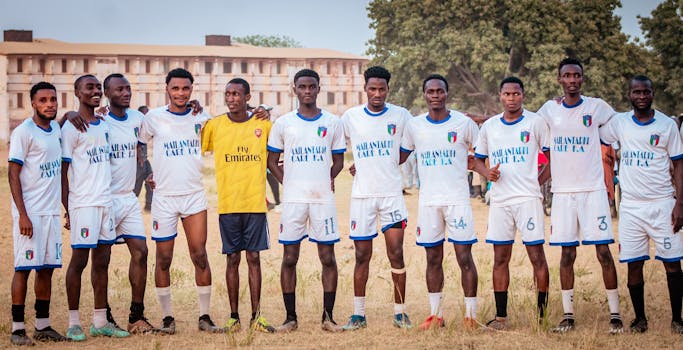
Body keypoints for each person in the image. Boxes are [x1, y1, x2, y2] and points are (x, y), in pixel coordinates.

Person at [536, 58, 623, 334]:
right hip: (563, 193)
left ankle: (616, 315)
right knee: (566, 254)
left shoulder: (597, 107)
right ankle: (568, 315)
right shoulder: (549, 109)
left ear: (582, 79)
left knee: (603, 252)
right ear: (559, 79)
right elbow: (532, 131)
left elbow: (620, 126)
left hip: (593, 191)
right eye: (567, 76)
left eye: (577, 76)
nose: (572, 80)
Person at [137, 68, 221, 334]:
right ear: (167, 89)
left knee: (200, 255)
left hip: (193, 196)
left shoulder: (201, 117)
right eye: (176, 88)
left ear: (191, 90)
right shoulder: (153, 118)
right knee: (163, 259)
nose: (181, 93)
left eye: (186, 88)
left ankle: (205, 317)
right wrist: (146, 170)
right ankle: (167, 318)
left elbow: (227, 126)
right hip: (164, 198)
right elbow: (140, 143)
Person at [599, 75, 683, 333]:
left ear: (653, 93)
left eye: (646, 92)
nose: (642, 96)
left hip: (662, 203)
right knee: (634, 264)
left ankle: (677, 319)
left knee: (672, 263)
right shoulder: (620, 122)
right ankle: (640, 319)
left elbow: (679, 163)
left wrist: (680, 203)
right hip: (632, 207)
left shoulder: (667, 124)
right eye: (636, 92)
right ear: (629, 95)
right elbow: (593, 131)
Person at [266, 69, 346, 333]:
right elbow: (271, 162)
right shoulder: (283, 123)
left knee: (327, 257)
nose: (307, 91)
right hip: (293, 201)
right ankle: (290, 318)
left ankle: (328, 317)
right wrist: (287, 183)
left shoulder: (333, 122)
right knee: (290, 257)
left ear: (319, 89)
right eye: (302, 87)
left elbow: (338, 161)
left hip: (322, 199)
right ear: (295, 90)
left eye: (312, 87)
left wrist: (325, 178)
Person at [399, 74, 479, 330]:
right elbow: (399, 157)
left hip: (457, 201)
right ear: (424, 95)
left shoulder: (464, 124)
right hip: (429, 203)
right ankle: (436, 315)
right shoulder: (414, 126)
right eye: (431, 91)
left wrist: (489, 173)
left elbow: (481, 153)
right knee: (432, 258)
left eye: (440, 91)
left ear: (447, 93)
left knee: (464, 257)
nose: (435, 95)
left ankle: (471, 316)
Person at [471, 77, 550, 330]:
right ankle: (501, 317)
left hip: (528, 200)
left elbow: (551, 157)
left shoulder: (536, 122)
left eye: (516, 93)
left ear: (523, 95)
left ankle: (542, 317)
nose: (512, 98)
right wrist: (487, 174)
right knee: (500, 258)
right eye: (507, 94)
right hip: (501, 201)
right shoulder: (490, 127)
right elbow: (477, 161)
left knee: (536, 256)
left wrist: (536, 182)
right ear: (500, 96)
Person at [341, 66, 413, 330]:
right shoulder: (350, 117)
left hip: (391, 195)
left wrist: (385, 164)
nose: (377, 93)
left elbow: (404, 152)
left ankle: (400, 313)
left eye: (382, 89)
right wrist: (360, 164)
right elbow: (336, 144)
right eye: (372, 89)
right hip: (362, 197)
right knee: (362, 255)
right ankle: (358, 315)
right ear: (365, 89)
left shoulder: (402, 115)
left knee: (396, 253)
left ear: (388, 90)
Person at [201, 78, 275, 333]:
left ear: (247, 97)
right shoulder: (215, 125)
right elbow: (195, 145)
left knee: (253, 257)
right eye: (228, 94)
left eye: (236, 94)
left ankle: (256, 316)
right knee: (232, 258)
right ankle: (234, 317)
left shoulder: (262, 124)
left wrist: (265, 109)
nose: (231, 98)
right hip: (228, 204)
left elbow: (277, 150)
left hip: (255, 203)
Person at [61, 75, 130, 340]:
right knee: (79, 261)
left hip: (105, 203)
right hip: (84, 204)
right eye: (89, 87)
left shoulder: (102, 124)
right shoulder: (71, 127)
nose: (95, 91)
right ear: (77, 92)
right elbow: (62, 172)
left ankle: (100, 321)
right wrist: (68, 208)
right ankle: (73, 322)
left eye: (97, 87)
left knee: (102, 262)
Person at [8, 82, 67, 345]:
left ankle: (43, 326)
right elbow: (13, 173)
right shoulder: (23, 132)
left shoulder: (56, 128)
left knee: (46, 269)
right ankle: (17, 329)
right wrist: (22, 214)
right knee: (24, 268)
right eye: (43, 100)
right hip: (30, 213)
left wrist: (65, 209)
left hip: (51, 213)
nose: (49, 104)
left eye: (53, 99)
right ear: (33, 103)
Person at [134, 105, 153, 211]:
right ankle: (130, 206)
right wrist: (139, 158)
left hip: (145, 160)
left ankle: (148, 206)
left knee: (151, 182)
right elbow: (135, 143)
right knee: (136, 186)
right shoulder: (137, 126)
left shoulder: (147, 126)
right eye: (145, 113)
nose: (147, 115)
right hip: (137, 161)